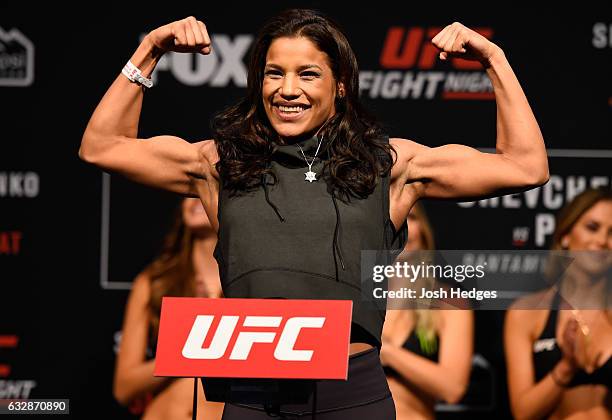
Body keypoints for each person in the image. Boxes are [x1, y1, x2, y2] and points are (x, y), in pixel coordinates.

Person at [79, 9, 548, 419]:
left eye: (308, 74)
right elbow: (102, 147)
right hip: (250, 396)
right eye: (273, 73)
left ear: (340, 84)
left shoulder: (391, 165)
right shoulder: (219, 164)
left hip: (352, 395)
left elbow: (525, 166)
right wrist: (149, 50)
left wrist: (494, 61)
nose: (287, 90)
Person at [504, 188, 612, 419]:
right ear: (565, 234)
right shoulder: (526, 313)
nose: (602, 241)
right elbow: (523, 413)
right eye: (592, 228)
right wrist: (566, 367)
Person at [113, 197, 224, 420]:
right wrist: (184, 352)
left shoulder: (250, 286)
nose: (196, 199)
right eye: (190, 191)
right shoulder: (153, 282)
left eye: (209, 188)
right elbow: (124, 387)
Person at [381, 203, 474, 419]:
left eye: (411, 216)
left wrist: (388, 353)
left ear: (423, 229)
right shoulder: (351, 297)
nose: (401, 224)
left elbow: (453, 388)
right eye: (391, 216)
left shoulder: (449, 303)